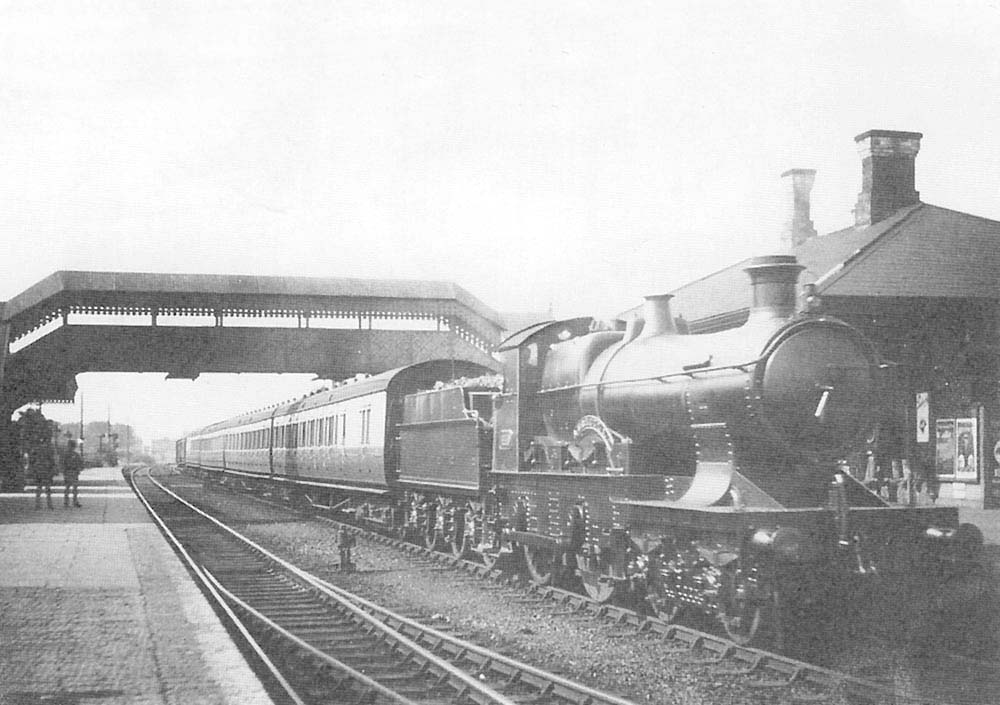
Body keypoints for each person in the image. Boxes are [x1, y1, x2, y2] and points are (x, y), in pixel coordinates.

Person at [62, 439, 84, 508]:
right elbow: (81, 463)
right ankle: (73, 501)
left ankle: (67, 502)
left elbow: (62, 463)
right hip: (72, 471)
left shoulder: (66, 454)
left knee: (68, 488)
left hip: (69, 471)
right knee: (73, 488)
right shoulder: (75, 454)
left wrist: (63, 470)